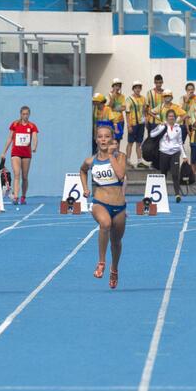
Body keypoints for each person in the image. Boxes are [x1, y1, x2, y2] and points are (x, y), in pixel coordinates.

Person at [80, 124, 126, 289]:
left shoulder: (120, 156)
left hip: (119, 206)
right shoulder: (90, 161)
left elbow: (120, 175)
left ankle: (114, 269)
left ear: (112, 139)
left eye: (107, 136)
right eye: (100, 136)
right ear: (96, 140)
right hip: (99, 202)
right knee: (105, 224)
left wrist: (111, 155)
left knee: (116, 242)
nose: (103, 139)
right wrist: (85, 188)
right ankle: (101, 262)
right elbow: (83, 170)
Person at [0, 106, 39, 205]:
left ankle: (23, 196)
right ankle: (16, 197)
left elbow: (35, 137)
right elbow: (9, 138)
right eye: (23, 114)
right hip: (15, 153)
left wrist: (34, 147)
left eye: (27, 114)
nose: (25, 116)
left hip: (26, 154)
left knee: (25, 176)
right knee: (17, 174)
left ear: (29, 114)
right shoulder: (15, 124)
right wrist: (4, 152)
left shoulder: (32, 126)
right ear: (20, 114)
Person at [152, 109, 188, 203]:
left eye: (173, 116)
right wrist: (161, 128)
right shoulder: (161, 126)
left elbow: (180, 143)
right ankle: (162, 194)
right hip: (163, 152)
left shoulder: (178, 128)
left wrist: (184, 155)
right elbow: (152, 135)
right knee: (163, 173)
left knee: (175, 174)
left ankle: (177, 194)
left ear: (175, 117)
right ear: (166, 117)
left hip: (175, 153)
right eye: (169, 116)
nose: (171, 118)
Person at [125, 80, 147, 168]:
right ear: (133, 89)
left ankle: (139, 161)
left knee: (139, 143)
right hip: (133, 123)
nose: (138, 89)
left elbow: (145, 111)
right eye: (136, 88)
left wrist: (146, 120)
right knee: (130, 142)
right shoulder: (129, 99)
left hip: (141, 123)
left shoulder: (143, 98)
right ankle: (128, 160)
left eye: (139, 88)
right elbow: (127, 112)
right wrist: (128, 125)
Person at [108, 78, 126, 143]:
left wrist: (114, 108)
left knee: (118, 139)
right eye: (116, 85)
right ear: (113, 86)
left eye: (119, 86)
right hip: (112, 120)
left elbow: (124, 108)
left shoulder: (122, 96)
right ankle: (111, 153)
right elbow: (109, 106)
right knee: (111, 139)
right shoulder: (109, 95)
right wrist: (113, 96)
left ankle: (117, 153)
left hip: (120, 120)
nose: (118, 87)